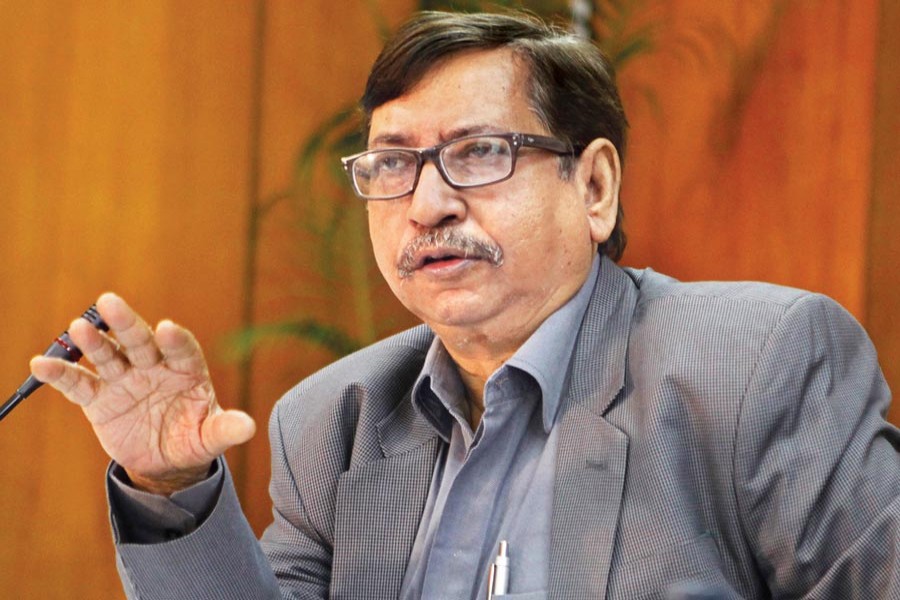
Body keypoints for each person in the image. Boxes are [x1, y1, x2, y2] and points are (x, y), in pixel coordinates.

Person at [30, 10, 899, 600]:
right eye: (391, 164)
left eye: (479, 152)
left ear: (595, 187)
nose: (427, 204)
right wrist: (171, 486)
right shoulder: (332, 421)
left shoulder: (756, 364)